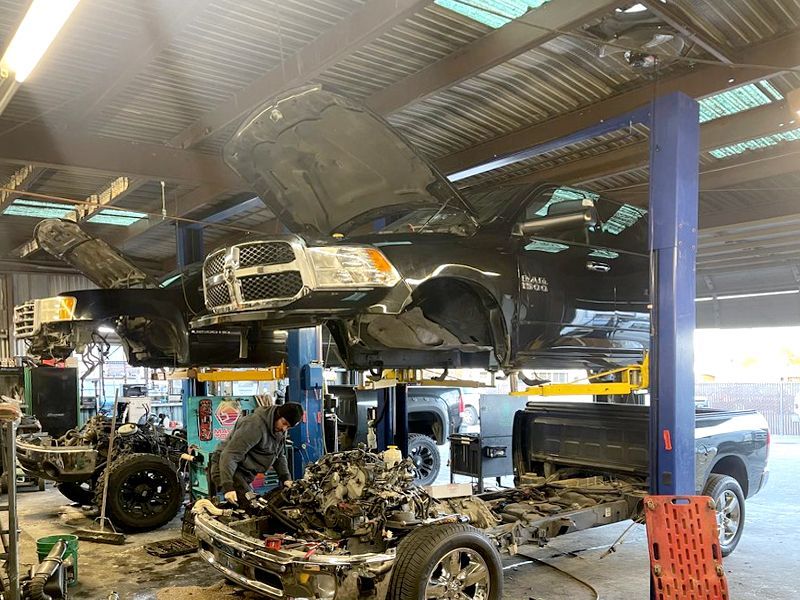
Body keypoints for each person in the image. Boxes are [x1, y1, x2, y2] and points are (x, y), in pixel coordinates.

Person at [209, 402, 303, 504]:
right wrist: (228, 486)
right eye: (284, 423)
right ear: (278, 415)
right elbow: (230, 455)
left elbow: (279, 455)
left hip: (243, 470)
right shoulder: (254, 425)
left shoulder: (279, 430)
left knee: (254, 504)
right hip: (225, 466)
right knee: (251, 506)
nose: (284, 429)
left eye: (288, 427)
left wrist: (286, 478)